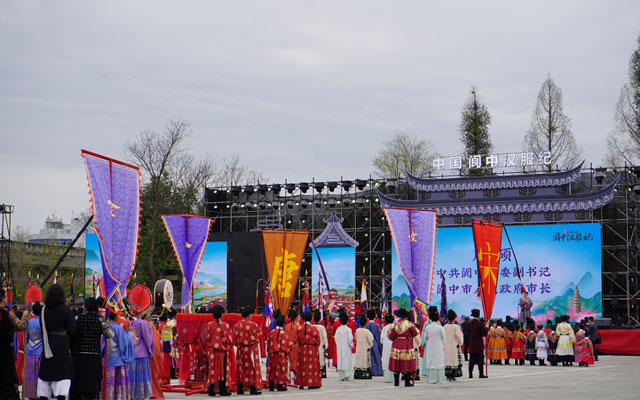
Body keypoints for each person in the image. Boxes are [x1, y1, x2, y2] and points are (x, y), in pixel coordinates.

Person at [70, 297, 114, 400]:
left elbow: (72, 334)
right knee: (91, 388)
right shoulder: (100, 319)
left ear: (86, 306)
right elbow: (110, 334)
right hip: (94, 358)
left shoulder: (77, 318)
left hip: (79, 357)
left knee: (78, 387)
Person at [38, 284, 76, 400]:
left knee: (46, 374)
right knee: (62, 374)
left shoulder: (44, 310)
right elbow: (72, 330)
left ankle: (44, 395)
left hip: (48, 344)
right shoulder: (66, 310)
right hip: (62, 345)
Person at [1, 288, 29, 400]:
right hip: (6, 353)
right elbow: (20, 326)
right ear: (3, 299)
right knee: (7, 380)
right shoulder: (8, 314)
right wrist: (25, 315)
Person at [105, 311, 135, 400]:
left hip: (107, 360)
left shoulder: (105, 327)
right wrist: (129, 334)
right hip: (118, 360)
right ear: (116, 317)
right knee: (119, 383)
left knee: (108, 383)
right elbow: (124, 343)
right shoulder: (118, 328)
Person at [234, 306, 262, 395]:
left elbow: (235, 338)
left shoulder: (237, 324)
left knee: (240, 368)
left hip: (240, 349)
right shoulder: (253, 324)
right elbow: (259, 333)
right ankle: (252, 388)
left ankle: (239, 388)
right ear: (249, 315)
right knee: (251, 368)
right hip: (250, 349)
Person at [388, 308, 419, 387]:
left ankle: (396, 382)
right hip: (406, 344)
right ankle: (407, 382)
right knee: (407, 362)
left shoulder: (394, 324)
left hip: (397, 344)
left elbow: (390, 336)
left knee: (396, 363)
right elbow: (415, 333)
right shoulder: (409, 324)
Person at [206, 305, 232, 396]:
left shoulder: (209, 325)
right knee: (223, 371)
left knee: (212, 370)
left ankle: (211, 390)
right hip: (222, 352)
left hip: (212, 351)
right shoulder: (225, 325)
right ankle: (222, 390)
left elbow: (208, 339)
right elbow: (229, 339)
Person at [129, 312, 154, 400]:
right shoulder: (143, 323)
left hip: (131, 354)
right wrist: (150, 350)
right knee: (142, 376)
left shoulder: (130, 322)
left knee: (133, 375)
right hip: (142, 353)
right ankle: (142, 395)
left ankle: (132, 394)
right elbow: (148, 339)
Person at [295, 311, 322, 389]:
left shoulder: (300, 328)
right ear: (311, 318)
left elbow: (297, 339)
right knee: (312, 366)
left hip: (302, 349)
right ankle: (312, 383)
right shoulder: (314, 329)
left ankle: (302, 383)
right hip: (312, 349)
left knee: (302, 366)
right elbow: (318, 340)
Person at [266, 315, 290, 392]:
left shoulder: (271, 333)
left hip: (272, 354)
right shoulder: (284, 334)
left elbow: (268, 344)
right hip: (281, 354)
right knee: (281, 370)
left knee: (272, 370)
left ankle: (271, 385)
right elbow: (287, 346)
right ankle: (280, 385)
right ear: (283, 324)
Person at [24, 302, 43, 400]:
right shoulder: (42, 322)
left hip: (30, 351)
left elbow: (25, 338)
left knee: (30, 373)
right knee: (39, 374)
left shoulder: (29, 322)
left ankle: (30, 393)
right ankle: (39, 393)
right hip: (40, 352)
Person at [423, 310, 446, 384]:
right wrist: (443, 346)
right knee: (439, 361)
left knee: (431, 361)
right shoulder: (440, 328)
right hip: (439, 346)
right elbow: (444, 339)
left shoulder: (428, 327)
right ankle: (440, 379)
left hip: (430, 347)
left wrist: (429, 343)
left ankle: (431, 379)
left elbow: (425, 338)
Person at [443, 310, 463, 382]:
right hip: (454, 345)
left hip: (446, 345)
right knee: (454, 359)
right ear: (454, 318)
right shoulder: (456, 327)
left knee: (447, 359)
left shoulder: (445, 326)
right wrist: (460, 343)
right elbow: (459, 337)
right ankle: (453, 374)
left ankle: (448, 374)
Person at [334, 312, 354, 381]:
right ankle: (346, 375)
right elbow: (350, 339)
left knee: (340, 360)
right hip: (346, 348)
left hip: (340, 348)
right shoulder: (348, 330)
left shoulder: (338, 330)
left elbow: (336, 339)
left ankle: (341, 376)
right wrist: (351, 345)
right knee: (346, 361)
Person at [468, 309, 487, 379]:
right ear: (478, 315)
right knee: (480, 360)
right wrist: (486, 328)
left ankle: (470, 374)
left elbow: (469, 332)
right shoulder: (480, 324)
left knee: (471, 360)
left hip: (472, 342)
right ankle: (481, 374)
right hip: (479, 342)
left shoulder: (470, 323)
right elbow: (484, 333)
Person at [354, 315, 373, 379]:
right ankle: (365, 373)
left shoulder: (357, 331)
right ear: (366, 323)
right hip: (365, 348)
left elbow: (356, 338)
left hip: (359, 347)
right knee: (365, 360)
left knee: (358, 360)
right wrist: (370, 345)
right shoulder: (367, 331)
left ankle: (358, 372)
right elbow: (370, 340)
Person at [364, 309, 383, 376]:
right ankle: (378, 371)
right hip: (375, 344)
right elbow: (378, 337)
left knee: (370, 358)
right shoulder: (377, 326)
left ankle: (371, 371)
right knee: (377, 358)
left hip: (368, 344)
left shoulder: (367, 326)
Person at [284, 310, 300, 379]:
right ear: (296, 317)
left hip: (288, 345)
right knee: (296, 360)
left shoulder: (287, 326)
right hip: (296, 345)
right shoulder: (298, 326)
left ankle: (290, 374)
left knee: (290, 360)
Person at [312, 312, 328, 378]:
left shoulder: (312, 327)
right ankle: (321, 371)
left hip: (313, 345)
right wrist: (326, 345)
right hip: (320, 344)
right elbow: (324, 337)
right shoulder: (322, 327)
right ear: (319, 319)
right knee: (321, 358)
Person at [380, 314, 394, 383]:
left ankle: (387, 378)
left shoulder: (384, 328)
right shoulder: (394, 328)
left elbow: (381, 340)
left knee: (386, 362)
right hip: (393, 349)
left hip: (386, 349)